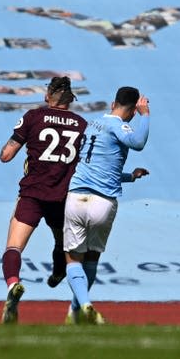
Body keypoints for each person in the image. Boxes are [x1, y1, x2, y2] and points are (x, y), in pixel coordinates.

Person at [0, 76, 87, 324]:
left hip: (33, 193)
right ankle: (59, 272)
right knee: (63, 244)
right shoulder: (81, 124)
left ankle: (13, 284)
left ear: (47, 96)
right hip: (62, 196)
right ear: (69, 100)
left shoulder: (33, 117)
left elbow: (6, 155)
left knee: (14, 246)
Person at [63, 86, 150, 325]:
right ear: (132, 111)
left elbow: (98, 167)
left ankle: (79, 309)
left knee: (72, 259)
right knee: (91, 259)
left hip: (76, 197)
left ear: (112, 103)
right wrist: (146, 115)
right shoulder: (120, 125)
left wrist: (130, 176)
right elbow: (138, 142)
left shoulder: (93, 124)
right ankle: (79, 309)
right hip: (102, 202)